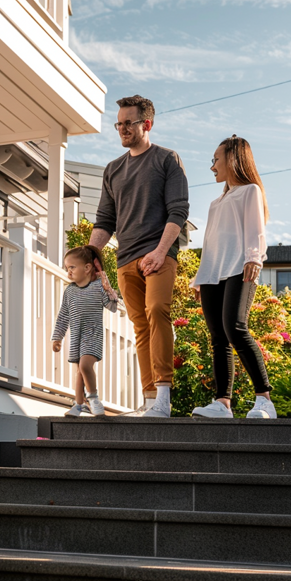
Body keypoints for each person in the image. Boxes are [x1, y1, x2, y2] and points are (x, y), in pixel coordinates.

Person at [90, 95, 190, 418]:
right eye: (118, 124)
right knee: (140, 327)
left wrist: (161, 253)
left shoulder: (166, 160)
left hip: (159, 254)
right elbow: (105, 222)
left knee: (157, 310)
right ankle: (149, 401)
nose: (122, 129)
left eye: (128, 123)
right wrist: (90, 255)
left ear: (146, 124)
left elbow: (178, 211)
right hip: (126, 259)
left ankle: (163, 395)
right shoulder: (113, 170)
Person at [191, 136, 278, 419]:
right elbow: (211, 242)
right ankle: (222, 404)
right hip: (212, 274)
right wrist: (198, 278)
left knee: (235, 328)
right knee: (218, 338)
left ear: (232, 159)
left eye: (216, 160)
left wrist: (254, 257)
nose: (212, 166)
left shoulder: (250, 191)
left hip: (241, 267)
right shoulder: (216, 203)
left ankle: (264, 400)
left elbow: (255, 227)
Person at [52, 244, 120, 417]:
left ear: (88, 268)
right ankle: (79, 404)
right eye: (67, 268)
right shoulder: (70, 292)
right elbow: (63, 316)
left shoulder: (98, 287)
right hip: (76, 336)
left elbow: (112, 306)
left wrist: (108, 287)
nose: (69, 271)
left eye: (72, 267)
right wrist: (57, 338)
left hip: (93, 334)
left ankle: (94, 398)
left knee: (85, 365)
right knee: (79, 371)